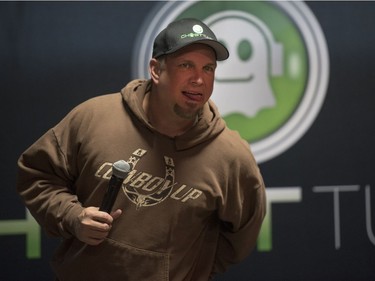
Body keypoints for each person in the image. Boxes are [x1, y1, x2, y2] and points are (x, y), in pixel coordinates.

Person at [16, 18, 266, 281]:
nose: (199, 79)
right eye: (186, 65)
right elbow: (37, 175)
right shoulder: (94, 117)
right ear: (156, 70)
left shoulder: (230, 155)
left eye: (208, 68)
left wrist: (192, 269)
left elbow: (242, 235)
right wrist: (72, 217)